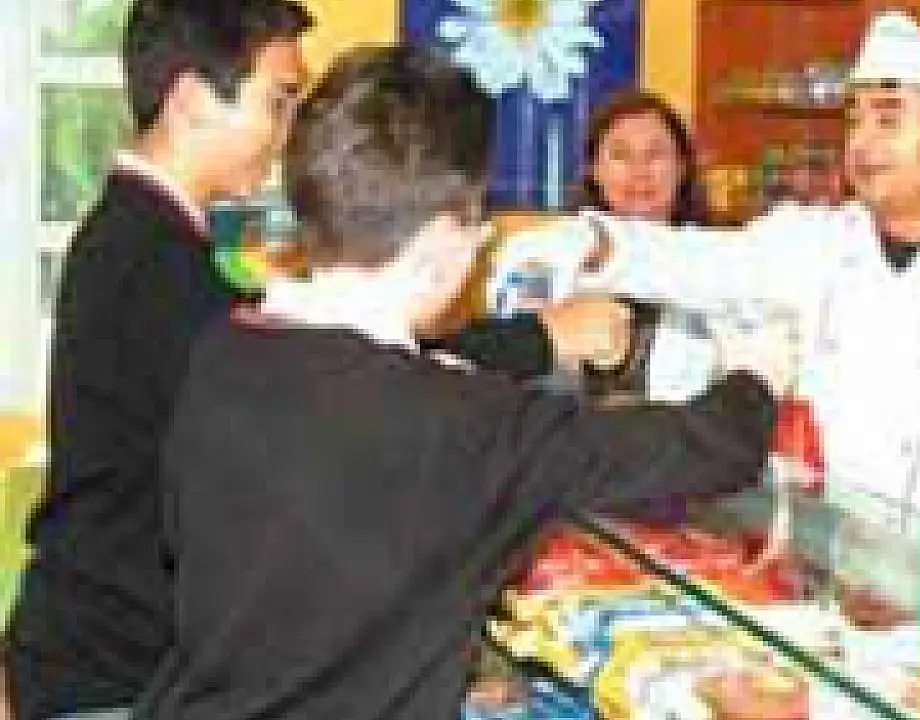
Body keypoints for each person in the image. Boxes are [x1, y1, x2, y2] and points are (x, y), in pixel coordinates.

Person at [133, 43, 781, 720]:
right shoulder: (459, 423)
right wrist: (761, 370)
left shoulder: (225, 351)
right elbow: (709, 447)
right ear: (441, 242)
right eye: (477, 224)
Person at [489, 10, 920, 527]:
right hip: (805, 562)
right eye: (855, 121)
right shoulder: (807, 242)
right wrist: (590, 243)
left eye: (888, 120)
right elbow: (690, 261)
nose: (862, 143)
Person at [8, 3, 314, 717]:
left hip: (111, 661)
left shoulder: (156, 240)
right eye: (278, 102)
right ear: (192, 99)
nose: (287, 133)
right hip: (112, 672)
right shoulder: (152, 260)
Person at [576, 89, 711, 225]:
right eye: (621, 154)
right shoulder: (568, 237)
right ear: (594, 170)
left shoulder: (719, 238)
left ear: (682, 166)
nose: (640, 170)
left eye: (655, 153)